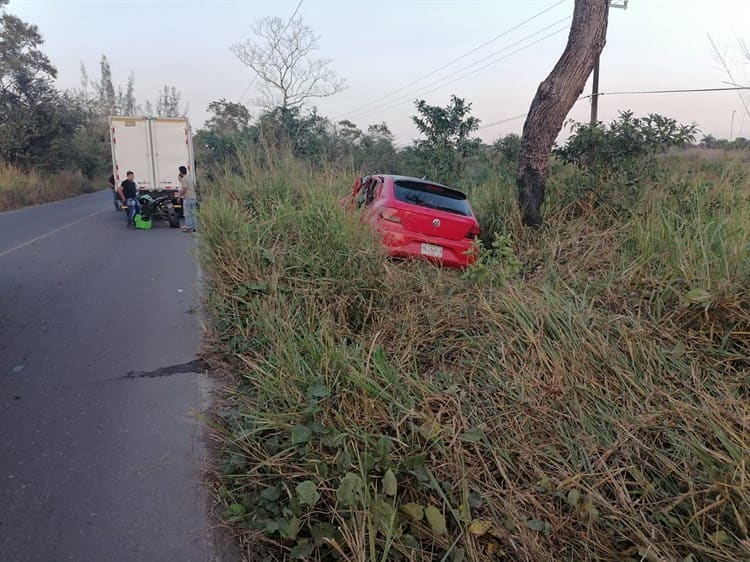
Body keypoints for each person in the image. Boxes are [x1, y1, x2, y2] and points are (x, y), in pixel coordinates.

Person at [178, 165, 197, 232]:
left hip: (188, 197)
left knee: (187, 213)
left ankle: (188, 227)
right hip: (193, 197)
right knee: (193, 213)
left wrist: (179, 196)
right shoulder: (189, 178)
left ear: (180, 172)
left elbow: (184, 189)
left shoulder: (184, 179)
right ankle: (195, 227)